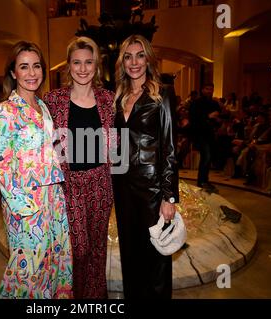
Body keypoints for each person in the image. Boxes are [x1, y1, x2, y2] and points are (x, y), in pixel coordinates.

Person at [0, 41, 73, 299]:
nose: (31, 73)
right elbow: (2, 165)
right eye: (23, 67)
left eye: (36, 66)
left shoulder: (43, 106)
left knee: (55, 263)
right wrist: (22, 208)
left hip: (54, 200)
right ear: (13, 72)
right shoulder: (5, 111)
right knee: (28, 271)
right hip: (26, 203)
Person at [44, 36, 114, 299]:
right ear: (68, 65)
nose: (83, 68)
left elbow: (116, 145)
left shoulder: (108, 99)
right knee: (77, 249)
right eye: (77, 62)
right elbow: (45, 144)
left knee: (97, 250)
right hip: (69, 185)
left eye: (88, 62)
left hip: (101, 184)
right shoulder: (54, 100)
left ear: (96, 66)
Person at [112, 34, 179, 299]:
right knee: (129, 251)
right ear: (122, 62)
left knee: (156, 256)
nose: (134, 62)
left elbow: (170, 147)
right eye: (128, 56)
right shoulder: (118, 97)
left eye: (140, 55)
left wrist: (169, 195)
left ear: (148, 59)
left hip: (151, 188)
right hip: (122, 185)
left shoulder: (162, 93)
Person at [189, 82, 221, 192]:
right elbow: (193, 119)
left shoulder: (214, 103)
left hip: (210, 134)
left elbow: (219, 119)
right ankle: (202, 181)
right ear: (202, 90)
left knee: (208, 157)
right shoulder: (196, 103)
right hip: (199, 134)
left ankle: (204, 180)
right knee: (206, 156)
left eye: (211, 89)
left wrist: (217, 120)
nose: (209, 91)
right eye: (207, 89)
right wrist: (208, 116)